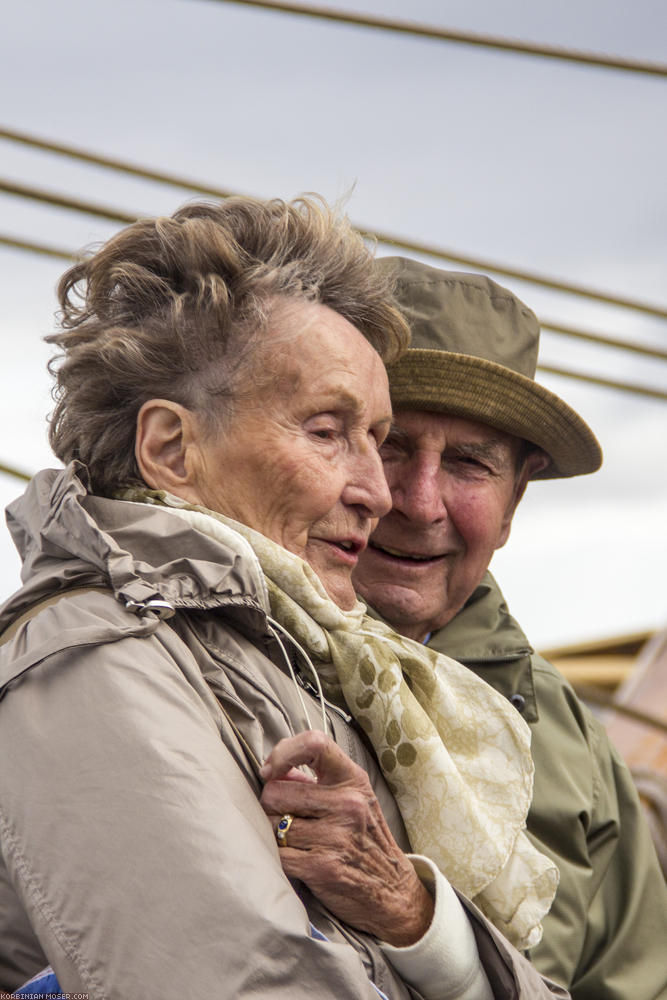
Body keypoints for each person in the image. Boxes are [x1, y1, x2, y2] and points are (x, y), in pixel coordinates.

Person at [0, 198, 568, 1000]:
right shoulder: (97, 660)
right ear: (171, 447)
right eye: (329, 431)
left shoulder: (308, 663)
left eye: (375, 436)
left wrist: (416, 920)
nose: (378, 492)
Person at [353, 256, 667, 1000]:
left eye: (467, 464)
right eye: (389, 444)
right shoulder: (205, 657)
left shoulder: (566, 739)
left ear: (515, 499)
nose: (419, 502)